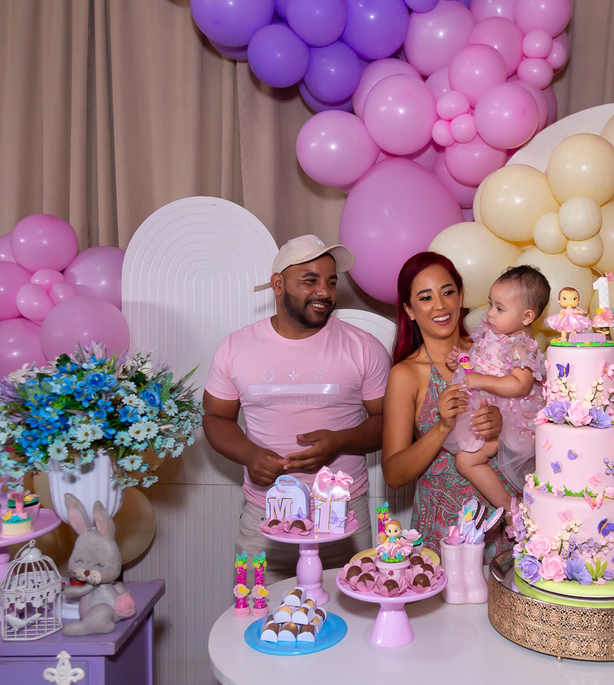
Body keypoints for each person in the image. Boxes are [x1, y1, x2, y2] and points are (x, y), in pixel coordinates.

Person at [202, 235, 391, 583]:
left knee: (351, 614)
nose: (325, 292)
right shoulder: (236, 347)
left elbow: (388, 422)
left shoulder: (364, 347)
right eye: (310, 280)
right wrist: (249, 454)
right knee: (257, 611)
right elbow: (215, 418)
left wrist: (340, 442)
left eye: (331, 282)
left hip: (342, 517)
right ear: (278, 284)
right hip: (265, 517)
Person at [381, 252, 512, 562]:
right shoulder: (406, 374)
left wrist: (504, 425)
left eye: (447, 292)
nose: (440, 305)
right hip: (445, 533)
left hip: (506, 523)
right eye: (426, 298)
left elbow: (535, 433)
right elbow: (393, 474)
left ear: (461, 295)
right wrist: (442, 426)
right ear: (410, 310)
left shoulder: (494, 352)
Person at [446, 266, 549, 509]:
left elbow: (521, 385)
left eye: (499, 308)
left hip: (512, 420)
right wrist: (464, 359)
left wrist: (481, 380)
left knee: (466, 461)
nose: (490, 313)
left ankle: (511, 508)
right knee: (463, 452)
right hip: (487, 408)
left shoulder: (519, 346)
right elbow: (487, 360)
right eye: (490, 304)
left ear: (526, 317)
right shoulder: (497, 332)